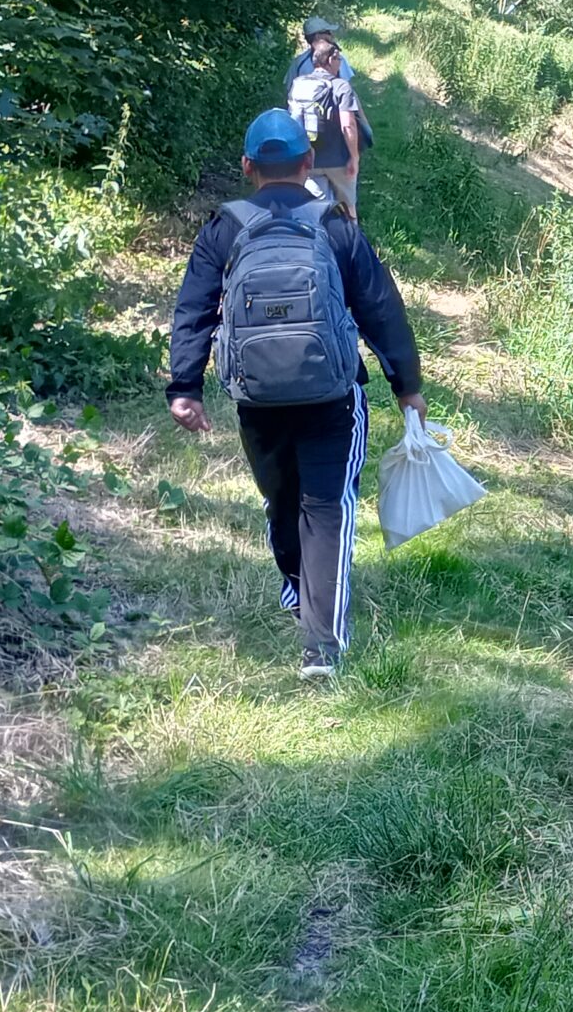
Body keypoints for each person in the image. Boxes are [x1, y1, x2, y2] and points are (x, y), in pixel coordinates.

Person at [167, 109, 425, 679]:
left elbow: (194, 309)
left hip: (257, 399)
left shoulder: (224, 229)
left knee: (281, 503)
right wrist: (406, 387)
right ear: (309, 162)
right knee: (326, 509)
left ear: (247, 167)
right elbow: (380, 307)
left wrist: (185, 386)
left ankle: (301, 598)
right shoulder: (334, 225)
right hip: (332, 396)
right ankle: (322, 648)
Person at [286, 21, 368, 216]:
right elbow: (348, 125)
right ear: (331, 60)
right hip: (338, 159)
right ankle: (351, 233)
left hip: (310, 157)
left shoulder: (298, 82)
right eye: (338, 59)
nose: (339, 62)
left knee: (317, 209)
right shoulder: (341, 86)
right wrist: (354, 157)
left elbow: (292, 116)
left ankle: (319, 232)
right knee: (348, 207)